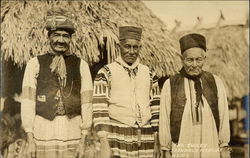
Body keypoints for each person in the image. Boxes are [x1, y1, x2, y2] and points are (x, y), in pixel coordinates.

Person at [21, 8, 93, 158]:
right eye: (56, 35)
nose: (61, 40)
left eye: (65, 36)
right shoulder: (35, 64)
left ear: (71, 39)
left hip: (72, 129)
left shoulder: (81, 65)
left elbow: (87, 103)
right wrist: (30, 138)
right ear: (49, 37)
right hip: (43, 130)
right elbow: (28, 102)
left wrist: (83, 139)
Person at [159, 33, 231, 158]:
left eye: (198, 59)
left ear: (205, 59)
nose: (194, 64)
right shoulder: (171, 84)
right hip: (182, 144)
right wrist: (166, 148)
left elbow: (224, 114)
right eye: (189, 60)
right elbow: (164, 118)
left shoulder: (215, 81)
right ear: (182, 59)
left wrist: (224, 145)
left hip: (209, 142)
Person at [92, 26, 160, 158]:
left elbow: (156, 108)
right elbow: (99, 109)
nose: (131, 51)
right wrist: (104, 142)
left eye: (136, 47)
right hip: (116, 137)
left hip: (146, 138)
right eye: (127, 46)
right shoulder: (106, 72)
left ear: (140, 48)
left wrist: (156, 138)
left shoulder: (150, 73)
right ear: (119, 47)